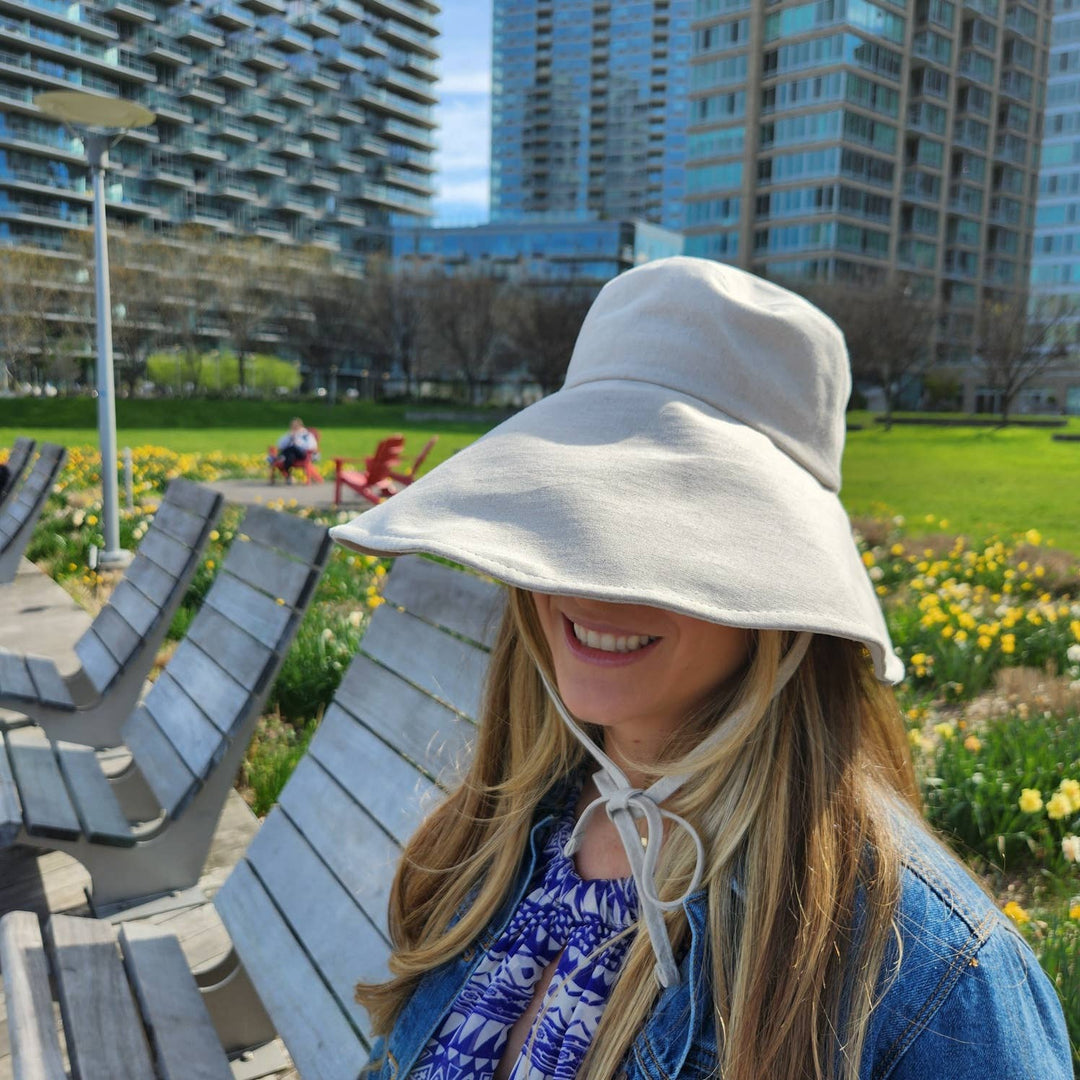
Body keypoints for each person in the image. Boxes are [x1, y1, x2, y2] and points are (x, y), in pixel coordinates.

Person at [330, 258, 1071, 1080]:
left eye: (667, 535)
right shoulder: (501, 835)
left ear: (780, 592)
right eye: (568, 513)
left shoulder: (924, 983)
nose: (589, 581)